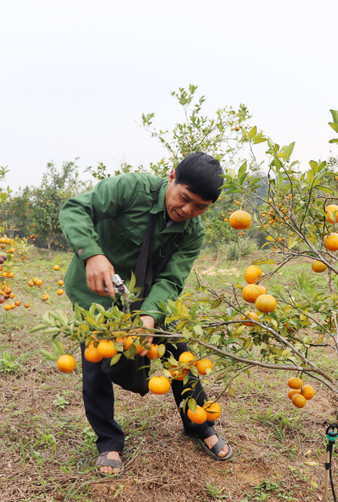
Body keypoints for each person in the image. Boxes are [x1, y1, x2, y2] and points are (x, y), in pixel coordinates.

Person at [59, 151, 232, 477]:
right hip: (97, 293)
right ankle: (108, 441)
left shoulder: (192, 232)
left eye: (200, 207)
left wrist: (149, 317)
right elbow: (76, 208)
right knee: (96, 363)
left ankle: (199, 424)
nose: (187, 211)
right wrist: (92, 253)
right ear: (171, 178)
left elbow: (171, 279)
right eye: (184, 198)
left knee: (178, 355)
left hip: (147, 298)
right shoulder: (130, 189)